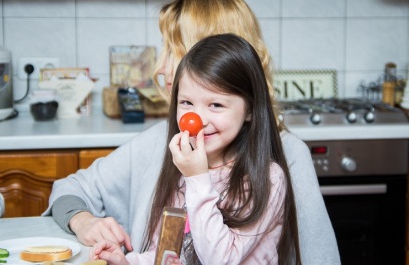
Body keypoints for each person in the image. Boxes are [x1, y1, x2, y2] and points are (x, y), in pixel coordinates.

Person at [44, 0, 340, 264]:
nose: (160, 68)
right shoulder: (169, 141)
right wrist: (84, 221)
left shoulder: (279, 160)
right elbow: (71, 190)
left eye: (171, 50)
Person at [91, 33, 302, 264]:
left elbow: (221, 259)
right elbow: (168, 255)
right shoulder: (182, 169)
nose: (197, 119)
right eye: (187, 103)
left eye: (216, 105)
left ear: (250, 110)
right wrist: (127, 262)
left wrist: (198, 178)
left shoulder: (267, 178)